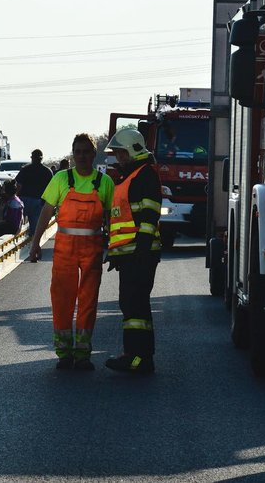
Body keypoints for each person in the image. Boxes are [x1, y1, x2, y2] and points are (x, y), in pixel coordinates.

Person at [28, 134, 114, 371]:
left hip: (92, 249)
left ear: (94, 154)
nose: (82, 156)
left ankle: (83, 354)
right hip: (65, 248)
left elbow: (111, 218)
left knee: (88, 302)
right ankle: (64, 353)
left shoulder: (104, 182)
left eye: (86, 151)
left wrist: (113, 247)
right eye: (78, 152)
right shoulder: (61, 179)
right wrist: (35, 244)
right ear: (73, 154)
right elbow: (46, 212)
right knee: (62, 300)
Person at [104, 128, 162, 375]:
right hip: (131, 254)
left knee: (135, 306)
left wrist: (140, 251)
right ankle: (138, 356)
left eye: (120, 153)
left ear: (131, 151)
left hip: (140, 254)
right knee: (133, 305)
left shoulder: (143, 176)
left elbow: (149, 216)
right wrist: (118, 254)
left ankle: (137, 357)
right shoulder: (131, 176)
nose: (117, 157)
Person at [16, 149, 53, 238]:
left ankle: (17, 241)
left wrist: (15, 198)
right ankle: (33, 244)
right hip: (38, 201)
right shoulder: (47, 171)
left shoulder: (25, 169)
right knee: (35, 228)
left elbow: (18, 186)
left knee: (18, 225)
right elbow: (51, 189)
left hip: (23, 200)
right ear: (41, 158)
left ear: (32, 158)